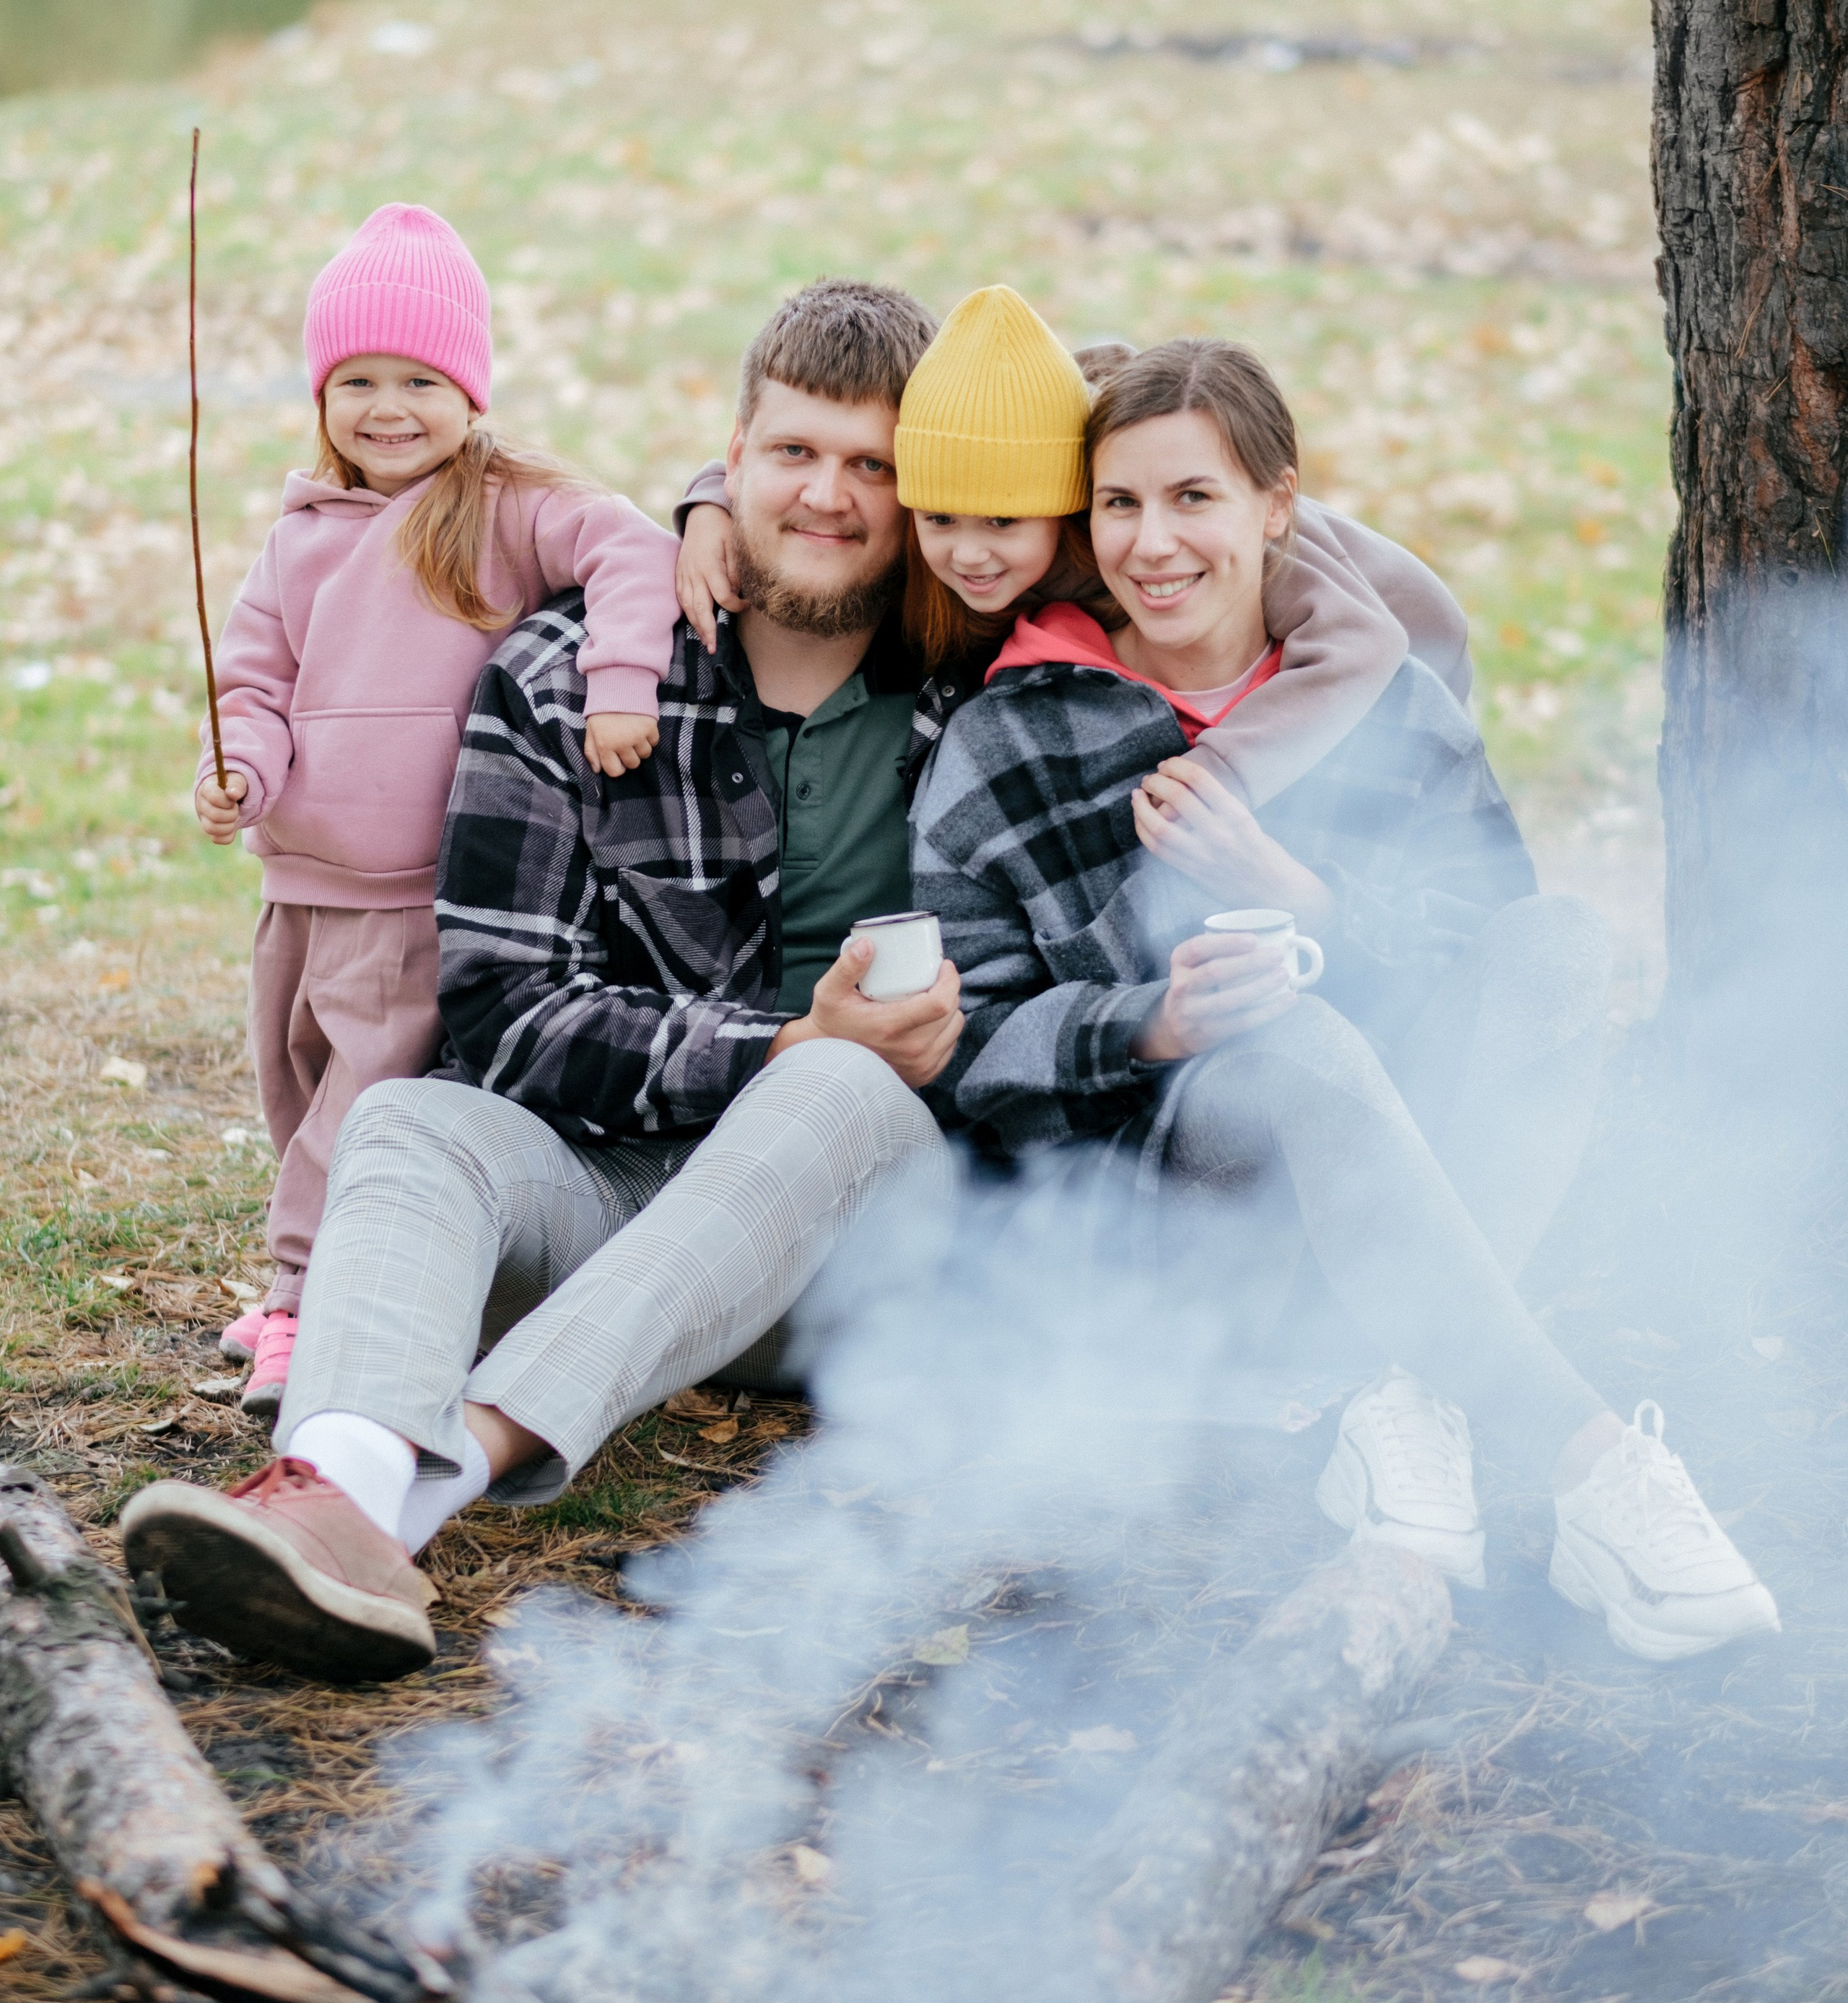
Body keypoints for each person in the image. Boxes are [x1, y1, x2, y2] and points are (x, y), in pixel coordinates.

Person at [126, 279, 963, 1684]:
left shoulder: (980, 675)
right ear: (733, 455)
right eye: (790, 456)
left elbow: (1198, 511)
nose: (827, 497)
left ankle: (426, 1497)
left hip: (866, 1256)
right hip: (614, 1212)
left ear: (924, 487)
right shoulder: (573, 667)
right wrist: (755, 1044)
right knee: (408, 1122)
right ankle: (327, 1488)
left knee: (834, 1073)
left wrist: (803, 1053)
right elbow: (507, 1017)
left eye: (873, 466)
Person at [908, 336, 1781, 1664]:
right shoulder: (1009, 734)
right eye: (1122, 504)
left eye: (1196, 497)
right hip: (1180, 1210)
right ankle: (1590, 1459)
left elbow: (1492, 933)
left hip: (1420, 1159)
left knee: (1562, 944)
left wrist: (1302, 896)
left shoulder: (1393, 701)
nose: (1155, 543)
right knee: (1291, 1040)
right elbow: (965, 1043)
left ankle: (1402, 1398)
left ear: (1278, 506)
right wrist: (1148, 1024)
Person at [195, 204, 680, 1422]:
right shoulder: (298, 536)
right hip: (300, 883)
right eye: (356, 380)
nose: (388, 407)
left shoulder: (505, 505)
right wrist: (240, 769)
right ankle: (313, 1274)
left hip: (418, 895)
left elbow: (634, 552)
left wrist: (622, 684)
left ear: (470, 389)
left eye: (421, 377)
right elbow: (251, 683)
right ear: (321, 396)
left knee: (361, 1100)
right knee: (295, 1088)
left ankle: (313, 1308)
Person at [677, 282, 1476, 816]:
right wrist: (712, 496)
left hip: (1406, 645)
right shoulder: (966, 521)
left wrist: (1221, 774)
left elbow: (1363, 644)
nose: (969, 553)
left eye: (1002, 524)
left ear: (1061, 507)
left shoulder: (1174, 543)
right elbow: (824, 452)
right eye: (941, 520)